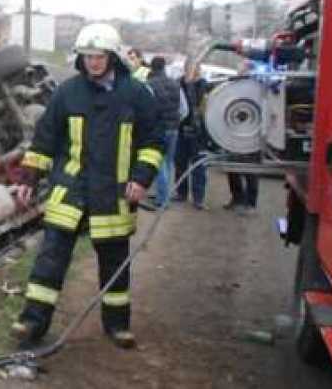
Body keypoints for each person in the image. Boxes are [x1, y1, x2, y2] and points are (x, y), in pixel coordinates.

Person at [11, 23, 163, 351]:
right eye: (87, 56)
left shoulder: (136, 95)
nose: (93, 62)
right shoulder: (68, 93)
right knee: (50, 259)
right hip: (71, 190)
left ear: (112, 56)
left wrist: (141, 178)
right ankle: (31, 323)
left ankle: (118, 325)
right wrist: (28, 178)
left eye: (99, 56)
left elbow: (153, 141)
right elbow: (45, 139)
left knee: (114, 263)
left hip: (113, 194)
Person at [146, 56, 182, 207]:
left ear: (151, 68)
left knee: (158, 163)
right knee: (168, 162)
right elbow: (183, 109)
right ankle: (165, 193)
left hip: (158, 129)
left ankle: (162, 199)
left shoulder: (149, 85)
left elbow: (146, 110)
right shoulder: (175, 84)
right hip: (173, 128)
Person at [173, 62, 208, 208]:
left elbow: (202, 106)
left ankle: (198, 198)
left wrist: (191, 85)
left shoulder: (203, 85)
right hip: (181, 129)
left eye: (195, 69)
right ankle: (181, 193)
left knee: (199, 166)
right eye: (189, 69)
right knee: (180, 163)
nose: (191, 72)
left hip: (199, 132)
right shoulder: (178, 83)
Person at [226, 61, 259, 214]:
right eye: (239, 70)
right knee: (232, 168)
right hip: (234, 131)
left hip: (252, 135)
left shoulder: (257, 88)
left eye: (242, 70)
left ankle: (251, 204)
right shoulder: (234, 86)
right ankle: (237, 198)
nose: (239, 72)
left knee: (250, 170)